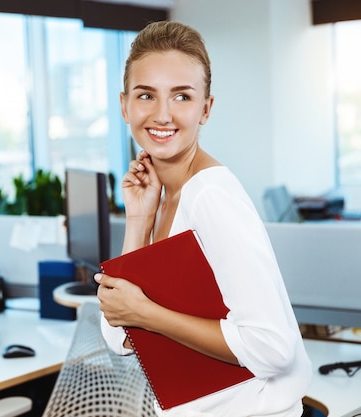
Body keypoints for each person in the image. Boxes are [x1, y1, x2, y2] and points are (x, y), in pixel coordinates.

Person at [95, 20, 312, 417]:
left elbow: (273, 348)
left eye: (182, 96)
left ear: (206, 108)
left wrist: (146, 314)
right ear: (124, 105)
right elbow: (118, 334)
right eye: (147, 95)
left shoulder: (211, 196)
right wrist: (140, 220)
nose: (162, 115)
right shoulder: (161, 195)